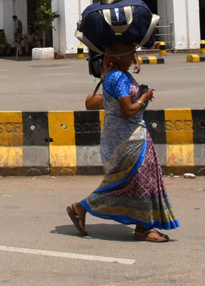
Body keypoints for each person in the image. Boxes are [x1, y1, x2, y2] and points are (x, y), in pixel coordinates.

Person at [68, 41, 178, 243]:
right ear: (117, 57)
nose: (132, 58)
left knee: (140, 180)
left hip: (131, 135)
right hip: (126, 138)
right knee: (126, 181)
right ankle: (82, 207)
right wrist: (144, 99)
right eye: (129, 55)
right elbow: (128, 111)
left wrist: (140, 94)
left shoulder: (120, 74)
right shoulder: (117, 77)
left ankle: (143, 227)